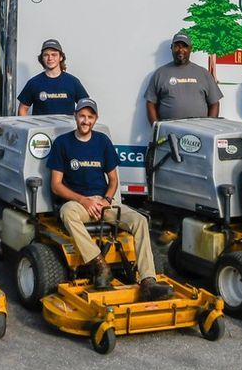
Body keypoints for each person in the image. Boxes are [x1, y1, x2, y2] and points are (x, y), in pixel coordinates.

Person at [47, 98, 170, 300]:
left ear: (95, 119)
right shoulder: (63, 143)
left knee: (140, 220)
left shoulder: (102, 141)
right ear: (75, 117)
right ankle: (99, 265)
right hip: (79, 203)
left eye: (90, 117)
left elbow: (113, 180)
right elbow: (56, 185)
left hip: (104, 202)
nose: (85, 121)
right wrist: (83, 201)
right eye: (82, 116)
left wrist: (106, 199)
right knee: (67, 213)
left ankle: (148, 281)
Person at [145, 31, 221, 123]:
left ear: (190, 49)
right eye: (177, 46)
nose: (180, 50)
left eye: (184, 46)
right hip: (170, 133)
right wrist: (157, 128)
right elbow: (150, 103)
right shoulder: (160, 73)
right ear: (171, 48)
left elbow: (214, 103)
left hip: (199, 132)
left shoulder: (203, 73)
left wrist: (210, 126)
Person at [17, 38, 88, 116]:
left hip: (67, 128)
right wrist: (26, 127)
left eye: (54, 54)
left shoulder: (73, 82)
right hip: (42, 128)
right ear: (42, 58)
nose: (50, 58)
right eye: (46, 55)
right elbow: (22, 109)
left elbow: (86, 107)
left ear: (61, 57)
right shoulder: (34, 83)